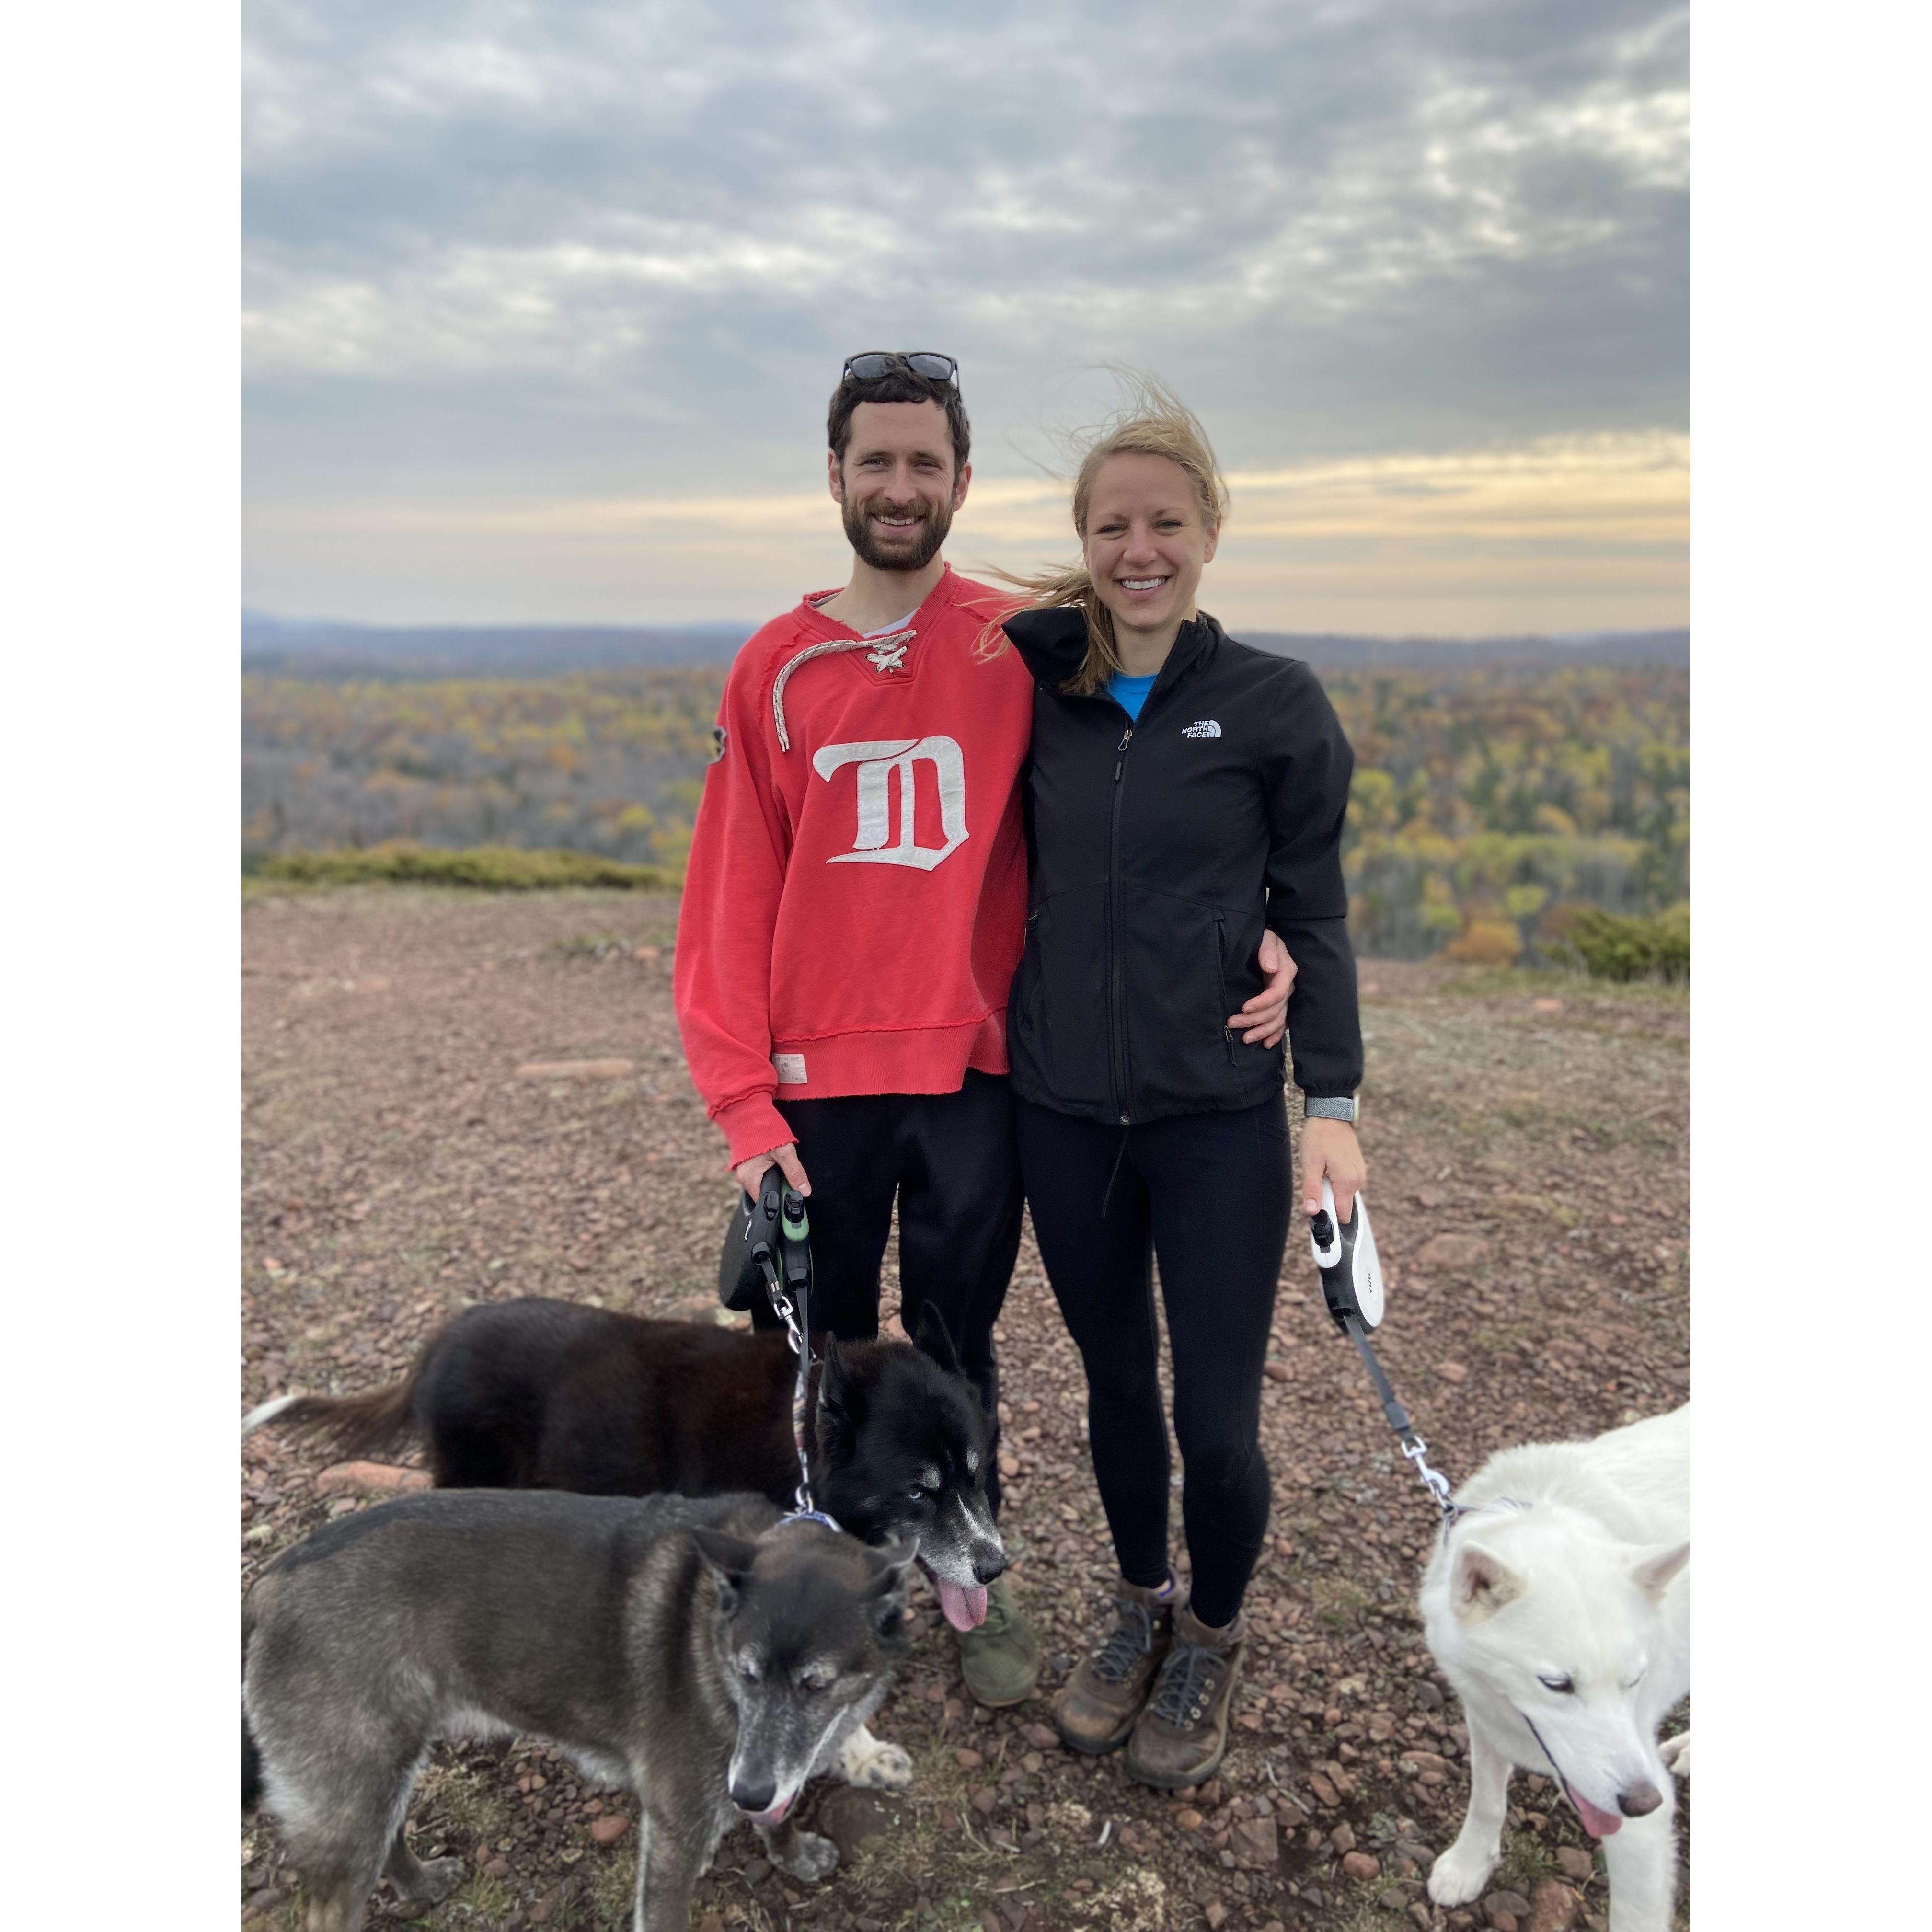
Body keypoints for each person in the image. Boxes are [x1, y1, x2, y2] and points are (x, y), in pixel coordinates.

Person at [995, 380, 1367, 1787]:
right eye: (1110, 527)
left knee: (1217, 1418)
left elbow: (1314, 909)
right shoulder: (1035, 678)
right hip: (1063, 1109)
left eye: (1163, 523)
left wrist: (1330, 1100)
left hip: (1219, 1114)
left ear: (1210, 531)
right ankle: (1138, 1600)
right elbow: (925, 632)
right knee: (1112, 1389)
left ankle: (1209, 1633)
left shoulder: (1274, 703)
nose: (1137, 548)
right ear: (1083, 542)